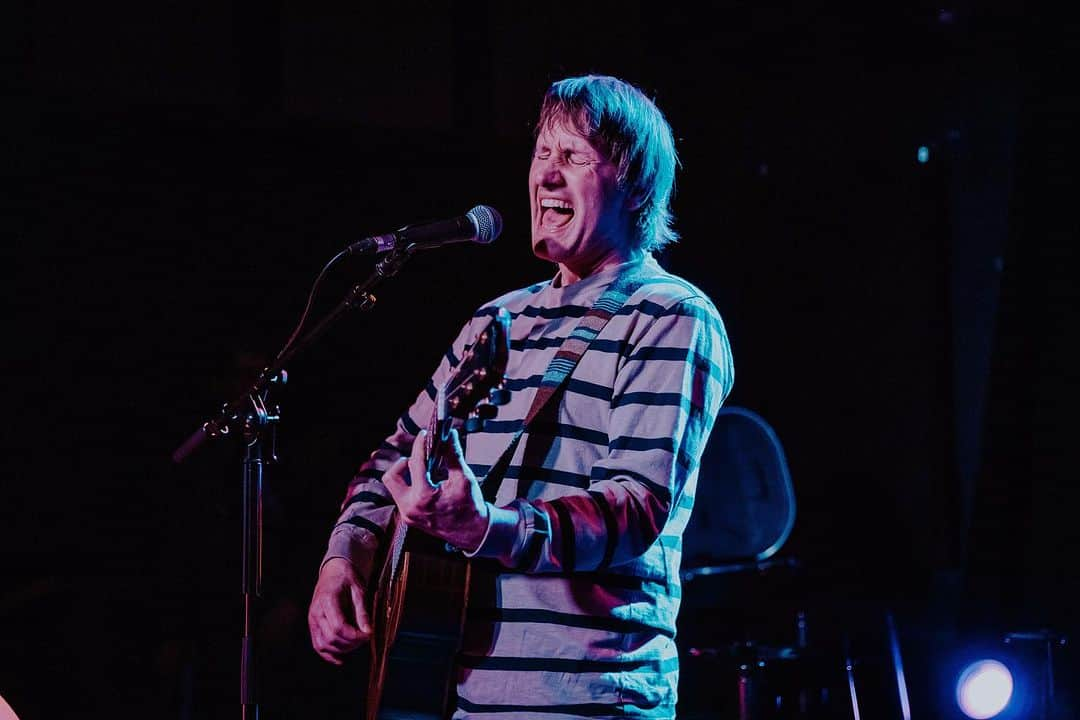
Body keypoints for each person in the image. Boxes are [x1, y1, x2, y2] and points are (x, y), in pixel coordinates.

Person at [308, 73, 734, 719]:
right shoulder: (496, 320)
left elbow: (634, 507)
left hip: (586, 696)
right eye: (542, 154)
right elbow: (395, 453)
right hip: (454, 693)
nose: (548, 176)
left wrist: (486, 526)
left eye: (574, 157)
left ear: (634, 184)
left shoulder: (670, 314)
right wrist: (346, 555)